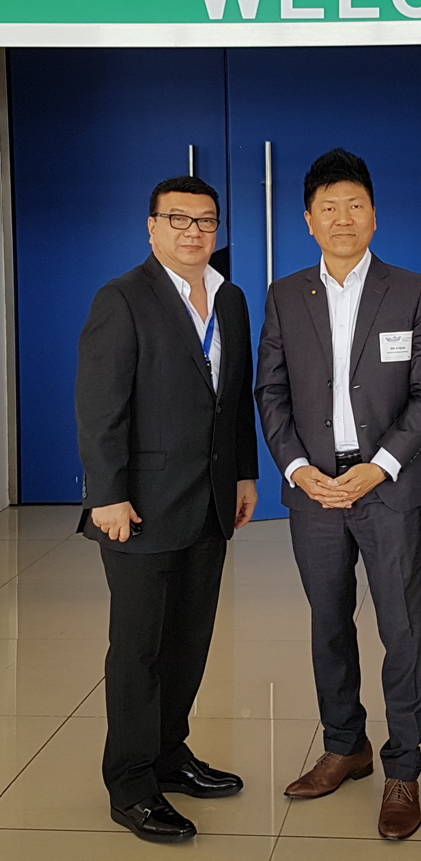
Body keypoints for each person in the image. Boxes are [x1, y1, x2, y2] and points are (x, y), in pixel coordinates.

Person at [255, 148, 421, 841]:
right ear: (309, 220)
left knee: (401, 626)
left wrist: (382, 465)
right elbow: (270, 391)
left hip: (386, 486)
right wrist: (296, 468)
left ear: (374, 216)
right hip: (314, 489)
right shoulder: (285, 295)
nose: (343, 218)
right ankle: (345, 745)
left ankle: (404, 765)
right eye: (328, 208)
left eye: (355, 206)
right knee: (328, 621)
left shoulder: (411, 289)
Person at [76, 176, 259, 844]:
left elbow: (233, 396)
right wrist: (107, 492)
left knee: (189, 638)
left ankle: (168, 753)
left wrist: (244, 472)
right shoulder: (122, 297)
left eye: (206, 220)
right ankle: (129, 782)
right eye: (178, 218)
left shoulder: (231, 298)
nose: (193, 231)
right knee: (139, 649)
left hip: (209, 501)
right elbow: (100, 404)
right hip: (140, 507)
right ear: (151, 226)